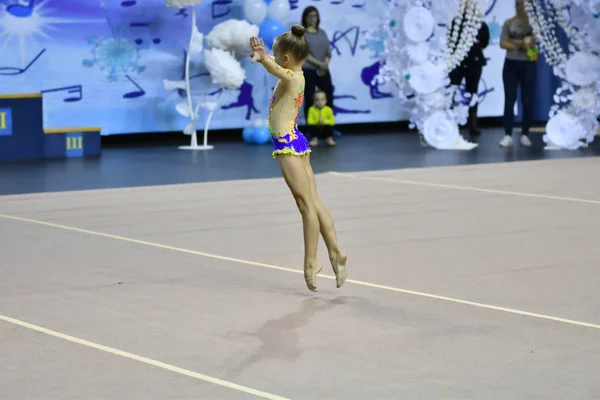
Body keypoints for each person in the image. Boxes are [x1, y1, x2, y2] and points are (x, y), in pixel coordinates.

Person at [249, 28, 347, 292]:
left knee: (305, 206)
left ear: (287, 58)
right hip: (296, 142)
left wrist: (262, 59)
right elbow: (278, 69)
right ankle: (336, 252)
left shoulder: (292, 77)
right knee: (313, 202)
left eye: (276, 53)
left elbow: (276, 71)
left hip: (289, 147)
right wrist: (266, 57)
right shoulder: (298, 75)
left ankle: (311, 261)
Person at [499, 0, 538, 148]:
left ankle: (525, 134)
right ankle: (507, 134)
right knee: (510, 99)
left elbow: (533, 42)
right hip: (511, 64)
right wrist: (521, 43)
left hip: (528, 64)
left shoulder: (534, 24)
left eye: (522, 3)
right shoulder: (509, 23)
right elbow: (503, 43)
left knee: (527, 100)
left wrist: (515, 42)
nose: (519, 7)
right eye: (516, 4)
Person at [449, 0, 490, 137]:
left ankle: (473, 124)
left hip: (474, 62)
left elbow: (485, 41)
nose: (468, 5)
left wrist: (475, 47)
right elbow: (450, 40)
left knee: (473, 93)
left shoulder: (479, 23)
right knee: (451, 91)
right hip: (457, 62)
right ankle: (449, 123)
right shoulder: (456, 22)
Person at [301, 6, 336, 146]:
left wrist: (325, 64)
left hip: (323, 69)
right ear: (305, 18)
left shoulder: (322, 33)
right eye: (309, 16)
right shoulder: (302, 34)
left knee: (328, 99)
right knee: (309, 100)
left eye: (314, 15)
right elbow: (304, 54)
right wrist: (320, 64)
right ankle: (313, 134)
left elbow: (328, 51)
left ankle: (328, 134)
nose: (312, 18)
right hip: (309, 70)